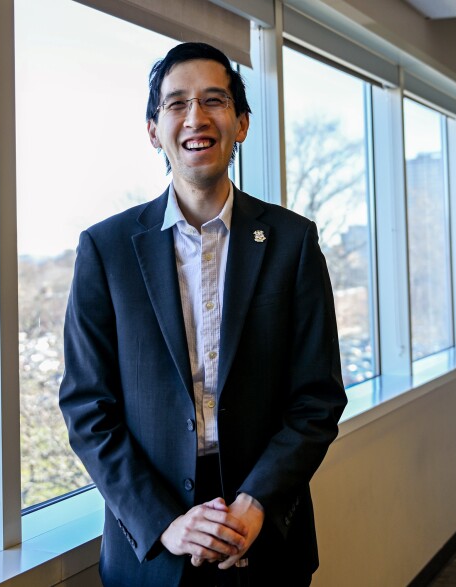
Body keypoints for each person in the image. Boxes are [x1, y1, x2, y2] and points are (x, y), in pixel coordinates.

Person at [59, 42, 347, 587]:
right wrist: (164, 522)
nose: (197, 117)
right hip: (153, 540)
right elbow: (86, 406)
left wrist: (255, 504)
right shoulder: (106, 249)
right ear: (153, 129)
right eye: (176, 104)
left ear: (240, 123)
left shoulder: (293, 242)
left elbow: (317, 398)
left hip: (266, 530)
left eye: (215, 101)